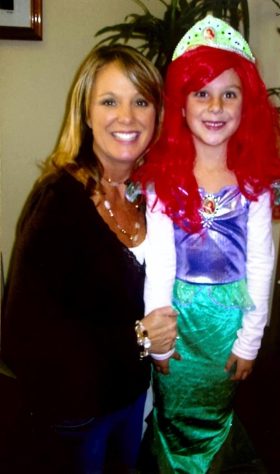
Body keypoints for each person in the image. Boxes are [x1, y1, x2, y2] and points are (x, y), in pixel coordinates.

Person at [1, 44, 178, 474]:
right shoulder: (59, 202)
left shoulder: (149, 194)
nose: (127, 116)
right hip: (78, 414)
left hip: (133, 396)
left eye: (140, 101)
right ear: (85, 113)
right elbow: (19, 336)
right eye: (109, 101)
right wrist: (138, 337)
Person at [135, 15, 280, 473]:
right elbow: (161, 265)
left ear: (246, 105)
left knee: (214, 409)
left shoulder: (254, 183)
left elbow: (262, 264)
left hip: (228, 324)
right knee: (176, 410)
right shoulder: (162, 182)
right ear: (181, 105)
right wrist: (160, 342)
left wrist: (250, 341)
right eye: (201, 92)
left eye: (229, 93)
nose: (215, 105)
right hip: (179, 322)